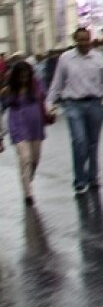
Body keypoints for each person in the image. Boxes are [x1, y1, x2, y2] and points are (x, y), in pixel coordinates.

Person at [45, 26, 103, 194]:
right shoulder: (66, 58)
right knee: (79, 141)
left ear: (90, 39)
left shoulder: (99, 58)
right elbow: (57, 83)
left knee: (93, 143)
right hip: (73, 104)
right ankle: (80, 179)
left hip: (95, 103)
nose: (83, 43)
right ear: (75, 40)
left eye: (86, 39)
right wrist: (49, 103)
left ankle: (93, 177)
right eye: (80, 39)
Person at [2, 60, 48, 207]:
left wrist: (49, 110)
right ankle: (28, 193)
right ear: (15, 77)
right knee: (25, 158)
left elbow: (45, 99)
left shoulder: (36, 85)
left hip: (35, 125)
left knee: (35, 158)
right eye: (21, 76)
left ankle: (28, 176)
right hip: (17, 124)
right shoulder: (8, 90)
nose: (24, 79)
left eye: (27, 76)